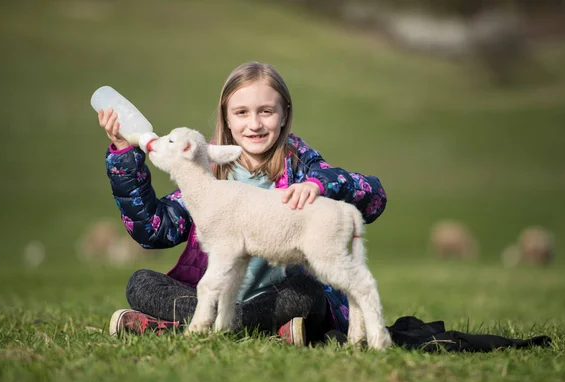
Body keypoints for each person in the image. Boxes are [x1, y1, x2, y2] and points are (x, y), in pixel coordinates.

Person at [99, 61, 387, 346]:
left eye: (266, 111)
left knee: (308, 291)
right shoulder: (205, 173)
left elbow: (373, 197)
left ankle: (177, 325)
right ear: (226, 117)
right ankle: (267, 329)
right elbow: (154, 230)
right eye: (241, 112)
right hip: (218, 293)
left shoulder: (302, 166)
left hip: (276, 296)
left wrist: (318, 184)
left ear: (284, 114)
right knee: (140, 282)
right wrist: (125, 156)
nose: (255, 124)